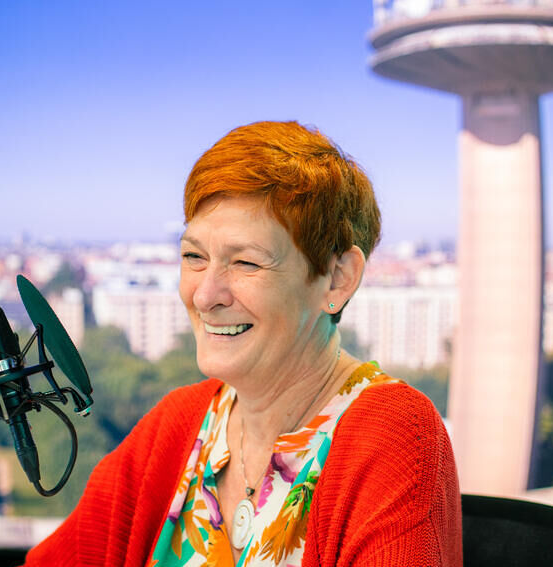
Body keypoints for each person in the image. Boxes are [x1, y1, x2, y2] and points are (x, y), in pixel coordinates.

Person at [24, 121, 461, 566]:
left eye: (246, 262)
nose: (205, 295)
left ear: (337, 277)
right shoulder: (176, 425)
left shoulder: (394, 438)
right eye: (194, 256)